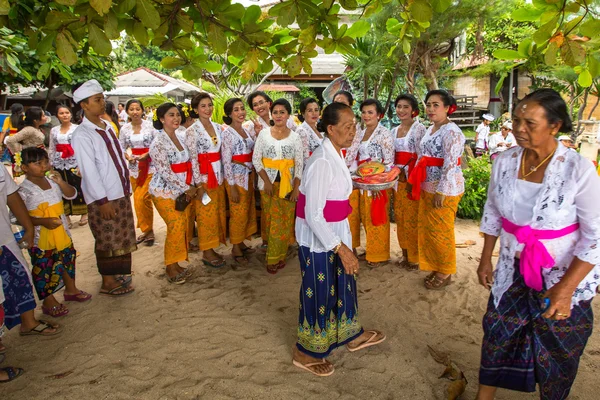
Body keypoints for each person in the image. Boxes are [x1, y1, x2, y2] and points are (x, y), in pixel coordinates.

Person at [476, 88, 600, 400]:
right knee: (497, 330)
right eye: (516, 120)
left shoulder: (577, 168)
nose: (519, 128)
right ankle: (484, 395)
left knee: (559, 342)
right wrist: (485, 258)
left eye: (530, 123)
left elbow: (595, 235)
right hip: (512, 266)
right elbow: (492, 211)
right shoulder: (505, 161)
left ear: (555, 126)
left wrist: (566, 289)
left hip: (560, 272)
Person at [293, 102, 386, 377]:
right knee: (318, 291)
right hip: (319, 237)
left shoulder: (336, 153)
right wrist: (340, 247)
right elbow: (313, 213)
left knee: (343, 284)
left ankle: (350, 335)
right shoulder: (322, 160)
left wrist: (365, 180)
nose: (353, 130)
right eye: (347, 126)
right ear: (331, 129)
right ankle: (304, 352)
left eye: (354, 125)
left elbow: (336, 191)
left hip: (336, 230)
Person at [71, 79, 136, 296]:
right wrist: (102, 201)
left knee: (121, 236)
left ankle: (118, 273)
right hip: (104, 197)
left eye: (102, 99)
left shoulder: (107, 126)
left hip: (119, 191)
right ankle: (107, 281)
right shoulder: (82, 134)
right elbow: (89, 171)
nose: (102, 103)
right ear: (84, 105)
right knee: (107, 238)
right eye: (97, 100)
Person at [18, 148, 91, 317]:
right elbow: (17, 217)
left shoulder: (52, 181)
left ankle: (71, 289)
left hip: (62, 232)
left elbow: (72, 194)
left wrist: (61, 183)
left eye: (45, 161)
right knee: (44, 267)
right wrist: (42, 221)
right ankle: (48, 299)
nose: (44, 166)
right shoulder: (23, 190)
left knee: (67, 259)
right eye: (38, 163)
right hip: (40, 238)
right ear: (24, 168)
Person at [408, 90, 465, 289]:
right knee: (431, 230)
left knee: (442, 231)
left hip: (445, 189)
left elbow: (450, 163)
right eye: (428, 104)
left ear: (448, 108)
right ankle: (437, 265)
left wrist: (443, 190)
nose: (431, 109)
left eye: (436, 105)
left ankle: (445, 270)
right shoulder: (430, 129)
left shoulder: (451, 131)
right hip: (427, 186)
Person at [0, 164, 61, 340]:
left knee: (20, 277)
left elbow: (12, 196)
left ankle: (28, 322)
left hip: (5, 237)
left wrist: (29, 227)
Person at [253, 98, 303, 273]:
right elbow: (256, 159)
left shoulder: (295, 137)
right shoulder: (264, 134)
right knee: (273, 222)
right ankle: (273, 257)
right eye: (275, 112)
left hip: (288, 186)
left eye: (282, 112)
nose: (279, 115)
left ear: (288, 114)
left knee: (285, 222)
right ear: (271, 114)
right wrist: (266, 182)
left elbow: (299, 164)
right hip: (268, 185)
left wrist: (296, 188)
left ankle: (279, 256)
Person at [149, 103, 197, 284]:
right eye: (171, 115)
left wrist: (190, 185)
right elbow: (165, 172)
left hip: (183, 189)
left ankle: (176, 263)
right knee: (176, 226)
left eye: (177, 115)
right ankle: (170, 267)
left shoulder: (181, 136)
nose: (176, 118)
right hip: (164, 191)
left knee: (182, 226)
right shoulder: (158, 143)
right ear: (162, 119)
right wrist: (187, 188)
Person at [345, 99, 394, 267]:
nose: (366, 115)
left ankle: (379, 255)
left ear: (379, 115)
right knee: (364, 216)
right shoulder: (360, 131)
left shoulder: (384, 133)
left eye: (370, 112)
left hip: (376, 181)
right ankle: (370, 250)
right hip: (361, 180)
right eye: (364, 112)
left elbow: (388, 162)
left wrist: (375, 176)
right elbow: (351, 154)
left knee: (377, 216)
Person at [186, 93, 227, 268]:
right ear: (195, 109)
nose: (207, 109)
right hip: (203, 177)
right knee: (205, 215)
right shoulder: (191, 131)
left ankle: (212, 247)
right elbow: (193, 159)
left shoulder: (218, 127)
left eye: (210, 105)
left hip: (218, 176)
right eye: (203, 106)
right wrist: (198, 185)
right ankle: (206, 251)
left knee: (216, 212)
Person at [221, 98, 258, 265]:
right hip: (236, 179)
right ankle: (235, 247)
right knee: (238, 213)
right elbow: (226, 162)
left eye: (242, 109)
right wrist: (232, 186)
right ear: (229, 113)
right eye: (236, 110)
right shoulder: (227, 133)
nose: (240, 112)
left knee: (246, 211)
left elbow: (254, 150)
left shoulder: (246, 130)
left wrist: (257, 133)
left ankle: (241, 241)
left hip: (248, 176)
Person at [391, 94, 426, 271]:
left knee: (412, 219)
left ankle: (415, 257)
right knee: (400, 217)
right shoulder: (393, 130)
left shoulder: (419, 129)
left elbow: (421, 157)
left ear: (413, 110)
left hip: (412, 178)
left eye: (406, 107)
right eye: (399, 106)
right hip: (397, 180)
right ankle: (404, 253)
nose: (402, 110)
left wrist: (410, 177)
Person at [119, 99, 156, 246]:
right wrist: (128, 157)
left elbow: (157, 145)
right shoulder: (125, 129)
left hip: (150, 166)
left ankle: (148, 230)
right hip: (134, 168)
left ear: (142, 110)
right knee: (139, 201)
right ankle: (148, 230)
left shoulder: (150, 127)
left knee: (142, 198)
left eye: (138, 109)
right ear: (127, 111)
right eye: (132, 109)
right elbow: (120, 148)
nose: (135, 112)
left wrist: (147, 155)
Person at [49, 105, 87, 227]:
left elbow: (82, 147)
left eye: (67, 112)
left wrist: (82, 164)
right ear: (57, 116)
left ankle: (84, 213)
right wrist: (50, 164)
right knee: (60, 187)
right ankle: (66, 215)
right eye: (61, 113)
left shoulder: (78, 129)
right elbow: (52, 147)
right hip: (58, 162)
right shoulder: (54, 130)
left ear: (71, 114)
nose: (65, 115)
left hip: (74, 161)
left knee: (78, 185)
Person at [6, 107, 46, 177]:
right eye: (43, 116)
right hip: (30, 159)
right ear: (35, 120)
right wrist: (24, 148)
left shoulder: (37, 129)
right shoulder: (29, 130)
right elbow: (10, 140)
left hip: (37, 157)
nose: (45, 117)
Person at [296, 98, 323, 162]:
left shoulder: (318, 129)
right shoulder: (302, 131)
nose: (314, 113)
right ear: (303, 114)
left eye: (316, 110)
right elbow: (304, 159)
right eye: (310, 110)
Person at [1, 103, 24, 169]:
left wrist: (0, 144)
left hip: (10, 141)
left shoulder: (8, 119)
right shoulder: (24, 118)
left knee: (8, 158)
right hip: (21, 141)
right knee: (19, 159)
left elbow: (3, 132)